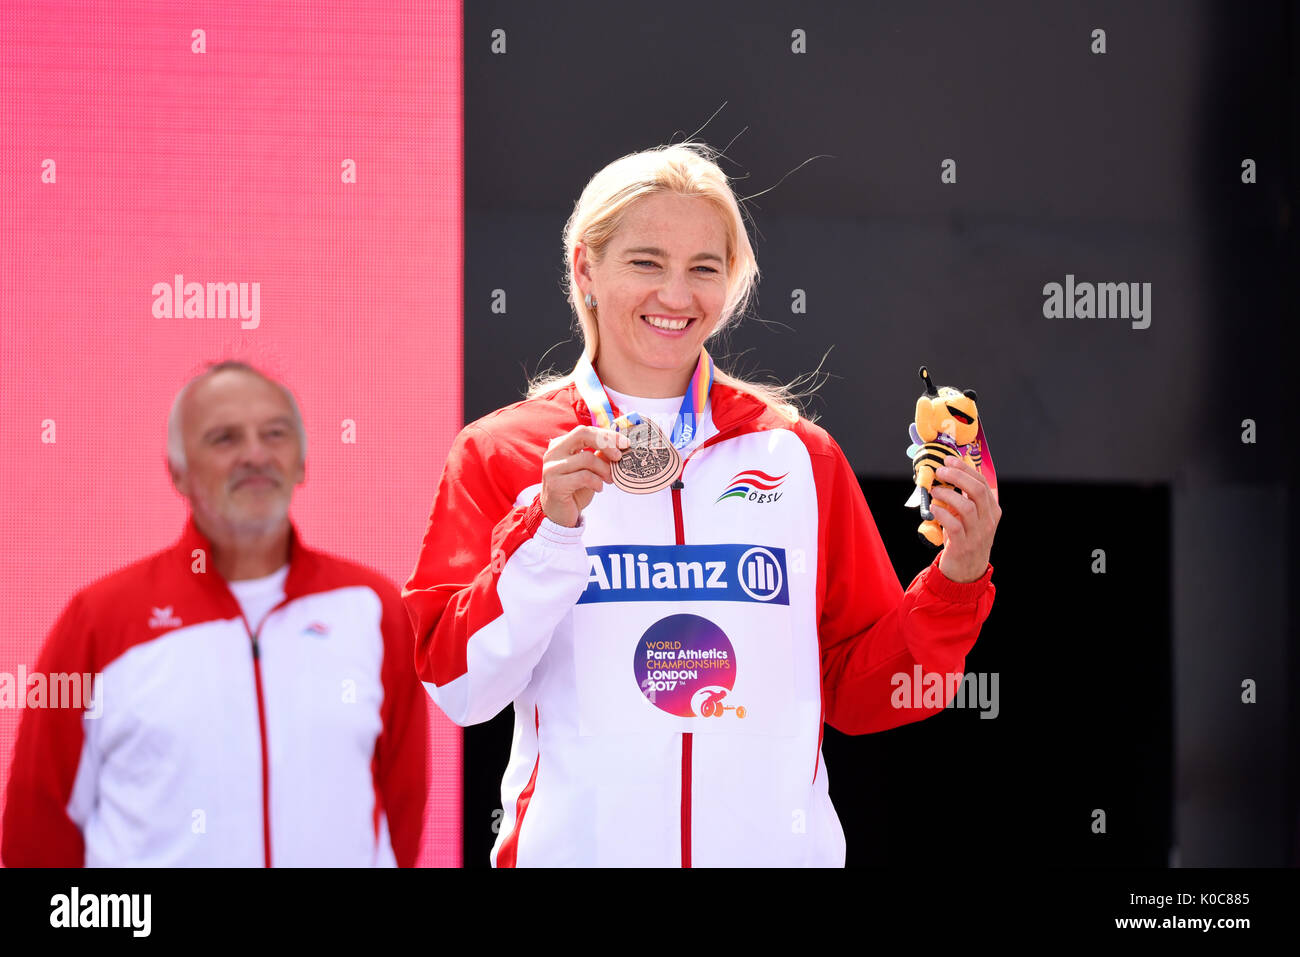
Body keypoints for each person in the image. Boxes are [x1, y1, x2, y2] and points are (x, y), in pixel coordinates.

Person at [403, 142, 1001, 867]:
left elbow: (867, 692)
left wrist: (958, 578)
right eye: (646, 262)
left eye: (704, 269)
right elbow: (457, 687)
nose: (676, 295)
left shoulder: (798, 457)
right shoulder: (503, 453)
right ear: (585, 270)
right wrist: (548, 531)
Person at [2, 361, 428, 866]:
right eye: (224, 438)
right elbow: (38, 829)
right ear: (177, 471)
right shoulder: (98, 620)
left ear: (301, 462)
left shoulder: (374, 610)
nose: (255, 454)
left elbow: (402, 801)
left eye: (275, 433)